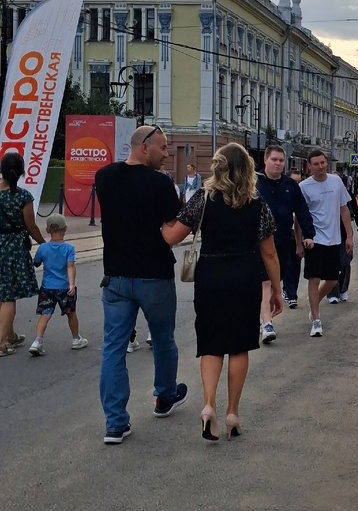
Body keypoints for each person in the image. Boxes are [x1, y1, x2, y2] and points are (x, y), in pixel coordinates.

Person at [163, 143, 281, 441]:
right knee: (239, 345)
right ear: (249, 170)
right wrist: (276, 290)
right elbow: (269, 254)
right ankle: (232, 413)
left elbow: (172, 236)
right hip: (245, 275)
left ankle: (207, 406)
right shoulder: (258, 204)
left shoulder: (203, 199)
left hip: (211, 274)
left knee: (212, 344)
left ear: (217, 167)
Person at [94, 124, 187, 444]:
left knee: (113, 349)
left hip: (116, 278)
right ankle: (164, 397)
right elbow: (173, 229)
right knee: (163, 341)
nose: (166, 155)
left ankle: (115, 423)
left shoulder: (104, 177)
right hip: (155, 276)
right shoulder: (160, 184)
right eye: (162, 148)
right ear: (143, 147)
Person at [256, 143, 315, 338]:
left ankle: (263, 316)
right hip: (259, 241)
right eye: (274, 159)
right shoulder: (254, 183)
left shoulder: (290, 186)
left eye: (281, 160)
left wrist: (308, 234)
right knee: (265, 282)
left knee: (274, 282)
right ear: (265, 160)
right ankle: (267, 324)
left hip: (282, 240)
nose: (278, 164)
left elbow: (302, 211)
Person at [300, 149, 354, 336]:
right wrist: (300, 243)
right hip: (314, 239)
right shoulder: (304, 187)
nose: (321, 167)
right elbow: (299, 217)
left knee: (332, 280)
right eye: (316, 164)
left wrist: (349, 235)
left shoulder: (336, 181)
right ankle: (316, 320)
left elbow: (344, 209)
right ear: (309, 166)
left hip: (334, 238)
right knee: (314, 278)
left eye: (323, 163)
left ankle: (314, 301)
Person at [0, 151, 45, 355]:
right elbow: (31, 226)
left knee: (2, 293)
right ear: (20, 172)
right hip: (13, 247)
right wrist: (43, 244)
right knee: (9, 295)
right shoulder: (23, 195)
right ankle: (1, 343)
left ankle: (10, 336)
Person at [29, 213, 88, 355]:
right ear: (66, 228)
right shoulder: (69, 248)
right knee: (71, 313)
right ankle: (76, 339)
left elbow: (36, 263)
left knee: (45, 313)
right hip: (64, 287)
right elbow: (70, 267)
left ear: (47, 230)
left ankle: (37, 341)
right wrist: (71, 285)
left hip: (47, 287)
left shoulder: (43, 248)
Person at [328, 190, 358, 303]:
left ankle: (343, 289)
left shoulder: (347, 194)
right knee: (332, 264)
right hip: (329, 235)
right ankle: (332, 293)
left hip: (344, 235)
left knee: (345, 262)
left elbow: (355, 211)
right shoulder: (326, 193)